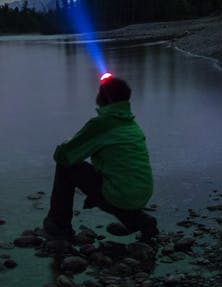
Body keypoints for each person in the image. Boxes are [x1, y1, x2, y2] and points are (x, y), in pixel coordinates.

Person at [42, 74, 157, 243]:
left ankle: (59, 226)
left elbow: (63, 155)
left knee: (66, 167)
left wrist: (70, 145)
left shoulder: (102, 124)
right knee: (119, 181)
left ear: (103, 98)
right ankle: (138, 220)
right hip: (142, 194)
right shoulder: (131, 124)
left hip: (121, 195)